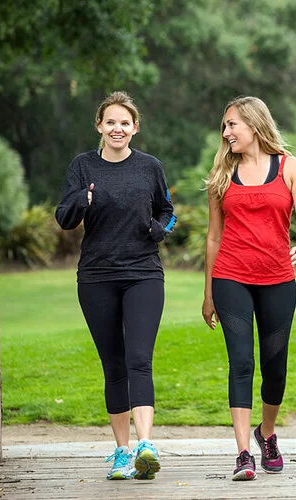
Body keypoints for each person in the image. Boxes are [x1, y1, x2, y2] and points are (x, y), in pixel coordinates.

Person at [55, 91, 176, 481]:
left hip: (143, 273)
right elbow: (64, 217)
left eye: (125, 122)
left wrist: (158, 230)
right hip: (96, 276)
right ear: (99, 126)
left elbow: (167, 211)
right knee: (114, 365)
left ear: (135, 127)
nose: (117, 128)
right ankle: (122, 452)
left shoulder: (150, 167)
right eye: (110, 122)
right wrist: (83, 200)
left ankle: (145, 445)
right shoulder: (82, 166)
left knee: (139, 358)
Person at [202, 96, 296, 481]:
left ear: (254, 125)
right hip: (231, 276)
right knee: (241, 362)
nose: (226, 132)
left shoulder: (290, 167)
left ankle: (266, 434)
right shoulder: (221, 172)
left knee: (275, 366)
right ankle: (243, 454)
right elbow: (213, 238)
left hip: (278, 279)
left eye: (232, 124)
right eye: (225, 126)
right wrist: (208, 294)